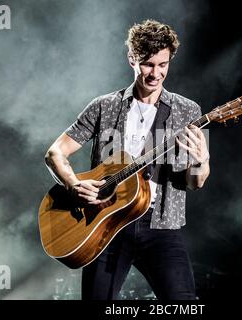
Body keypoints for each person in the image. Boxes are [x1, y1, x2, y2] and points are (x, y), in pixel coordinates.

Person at [44, 19, 210, 300]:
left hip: (160, 225)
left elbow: (194, 183)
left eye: (163, 64)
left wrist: (201, 162)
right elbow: (55, 153)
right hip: (106, 223)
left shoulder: (186, 110)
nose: (156, 73)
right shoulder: (104, 106)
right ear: (132, 59)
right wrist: (73, 185)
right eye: (148, 64)